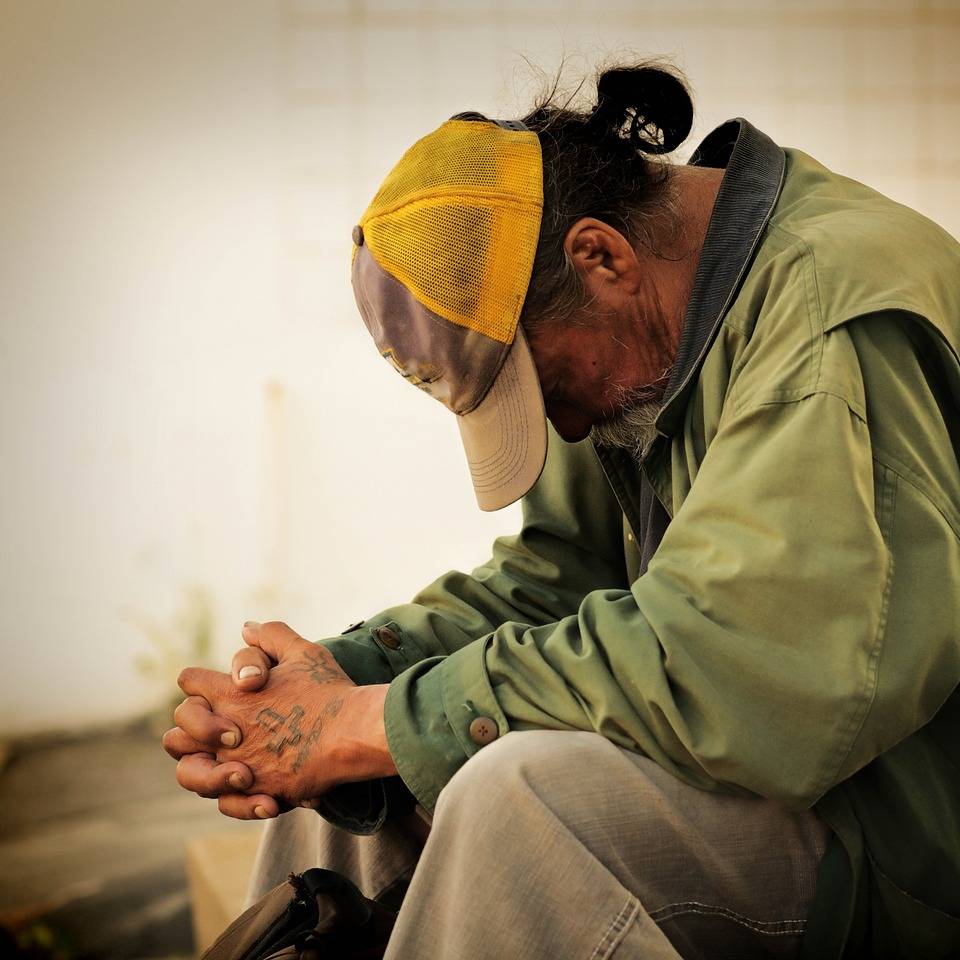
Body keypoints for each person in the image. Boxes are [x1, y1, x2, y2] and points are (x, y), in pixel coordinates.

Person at [163, 63, 960, 958]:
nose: (562, 423)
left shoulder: (824, 318)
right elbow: (562, 577)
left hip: (895, 840)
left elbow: (753, 676)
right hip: (774, 777)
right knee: (353, 800)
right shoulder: (650, 325)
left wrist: (371, 723)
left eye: (542, 383)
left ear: (601, 257)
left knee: (520, 798)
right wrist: (319, 692)